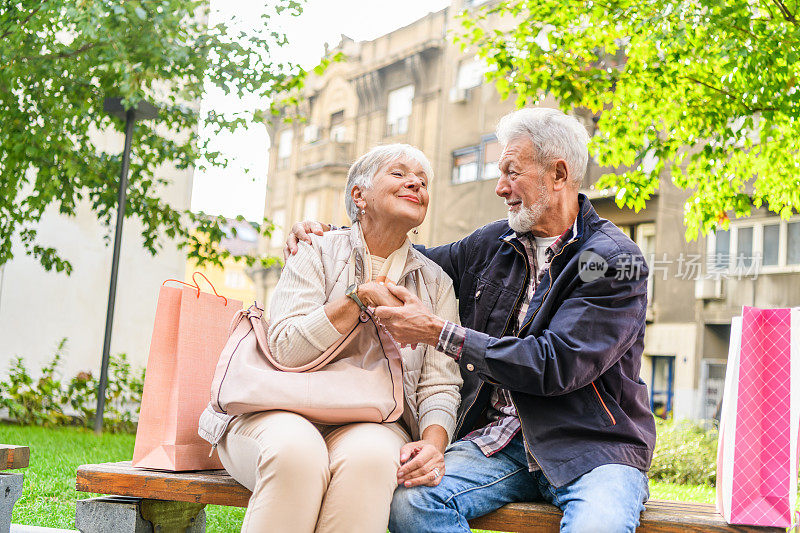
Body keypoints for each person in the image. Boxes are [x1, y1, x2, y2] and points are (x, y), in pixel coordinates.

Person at [286, 108, 657, 532]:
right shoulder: (492, 244)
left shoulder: (613, 259)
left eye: (512, 173)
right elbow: (416, 261)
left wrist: (439, 333)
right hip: (498, 442)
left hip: (592, 450)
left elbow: (556, 364)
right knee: (411, 502)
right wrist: (328, 234)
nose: (500, 188)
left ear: (558, 174)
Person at [218, 144, 462, 533]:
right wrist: (359, 298)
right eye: (398, 174)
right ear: (359, 195)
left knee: (371, 461)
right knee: (296, 456)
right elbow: (284, 348)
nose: (415, 183)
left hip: (374, 422)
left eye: (423, 180)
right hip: (276, 408)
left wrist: (433, 444)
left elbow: (440, 383)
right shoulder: (314, 249)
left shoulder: (435, 283)